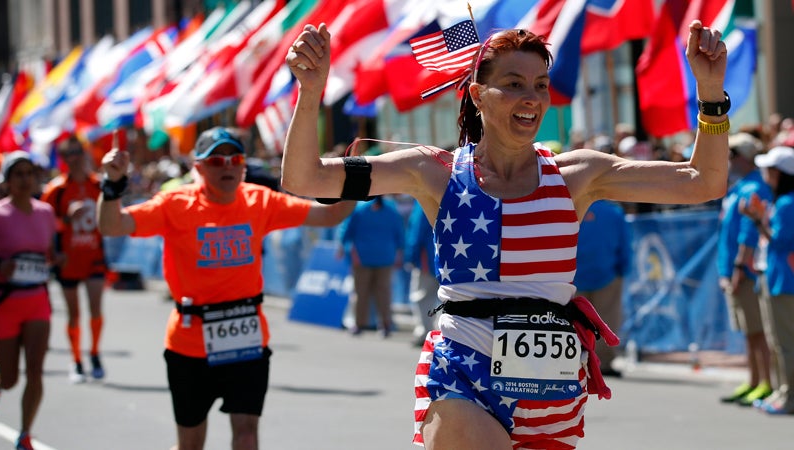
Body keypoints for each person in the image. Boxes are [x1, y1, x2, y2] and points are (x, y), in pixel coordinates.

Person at [282, 20, 729, 449]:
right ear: (478, 94)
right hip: (463, 371)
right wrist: (311, 93)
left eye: (540, 85)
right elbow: (306, 178)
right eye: (513, 83)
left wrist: (710, 96)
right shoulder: (433, 171)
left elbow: (702, 182)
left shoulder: (579, 174)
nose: (531, 97)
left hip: (553, 391)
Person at [96, 126, 355, 450]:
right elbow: (112, 226)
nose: (228, 166)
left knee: (246, 435)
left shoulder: (258, 199)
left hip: (246, 338)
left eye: (235, 159)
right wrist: (113, 185)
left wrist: (353, 178)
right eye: (217, 160)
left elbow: (329, 216)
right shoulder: (174, 203)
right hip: (189, 343)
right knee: (191, 443)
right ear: (199, 167)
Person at [0, 151, 57, 450]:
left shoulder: (45, 212)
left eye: (29, 173)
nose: (24, 179)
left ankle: (25, 434)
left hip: (37, 300)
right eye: (17, 173)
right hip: (4, 303)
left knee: (35, 369)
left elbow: (48, 253)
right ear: (6, 181)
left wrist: (57, 258)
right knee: (9, 380)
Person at [41, 136, 109, 383]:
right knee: (74, 313)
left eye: (77, 152)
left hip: (94, 257)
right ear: (63, 159)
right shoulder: (55, 190)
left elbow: (112, 217)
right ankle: (76, 359)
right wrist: (66, 219)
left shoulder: (98, 185)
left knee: (95, 309)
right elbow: (43, 226)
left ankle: (95, 353)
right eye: (68, 154)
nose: (74, 158)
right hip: (68, 260)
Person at [716, 132, 773, 405]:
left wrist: (738, 268)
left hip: (746, 273)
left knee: (758, 331)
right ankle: (753, 381)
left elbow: (748, 233)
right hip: (734, 271)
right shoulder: (739, 188)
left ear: (743, 157)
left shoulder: (753, 188)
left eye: (731, 155)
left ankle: (766, 383)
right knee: (749, 332)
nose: (728, 161)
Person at [740, 145, 794, 415]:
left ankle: (789, 397)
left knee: (785, 344)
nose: (766, 174)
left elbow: (781, 241)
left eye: (771, 170)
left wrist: (758, 220)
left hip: (784, 281)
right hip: (777, 279)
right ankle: (782, 392)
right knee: (779, 343)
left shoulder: (786, 203)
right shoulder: (783, 202)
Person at [573, 199, 630, 377]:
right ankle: (603, 363)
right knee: (607, 320)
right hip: (607, 275)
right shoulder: (614, 212)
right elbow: (625, 244)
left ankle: (573, 361)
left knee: (574, 321)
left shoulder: (573, 204)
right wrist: (623, 269)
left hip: (574, 275)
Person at [338, 194, 404, 337]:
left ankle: (359, 324)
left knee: (361, 292)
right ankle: (385, 324)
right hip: (386, 256)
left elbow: (347, 230)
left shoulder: (360, 208)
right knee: (384, 292)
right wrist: (399, 252)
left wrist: (342, 246)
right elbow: (399, 233)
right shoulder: (391, 209)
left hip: (362, 256)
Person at [404, 201, 440, 346]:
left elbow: (417, 229)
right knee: (449, 299)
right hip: (452, 259)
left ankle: (425, 333)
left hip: (428, 257)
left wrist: (412, 255)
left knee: (422, 296)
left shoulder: (424, 198)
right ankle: (444, 334)